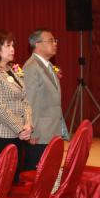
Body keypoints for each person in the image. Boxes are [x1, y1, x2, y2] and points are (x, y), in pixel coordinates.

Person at [0, 30, 33, 180]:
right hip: (1, 136)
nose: (13, 49)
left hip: (19, 134)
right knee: (2, 181)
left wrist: (28, 124)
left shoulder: (12, 70)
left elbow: (25, 99)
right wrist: (20, 128)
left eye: (13, 45)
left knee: (14, 178)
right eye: (8, 45)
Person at [22, 28, 65, 171]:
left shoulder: (48, 65)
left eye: (55, 40)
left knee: (50, 173)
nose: (55, 44)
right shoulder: (31, 67)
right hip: (40, 134)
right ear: (37, 44)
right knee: (36, 175)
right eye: (51, 40)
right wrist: (33, 131)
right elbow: (30, 101)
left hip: (52, 130)